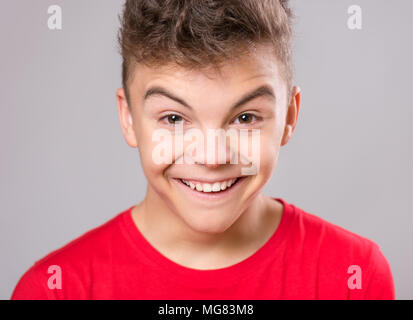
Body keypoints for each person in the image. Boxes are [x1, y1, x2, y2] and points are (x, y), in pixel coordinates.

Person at [11, 0, 394, 299]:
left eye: (245, 118)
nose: (211, 158)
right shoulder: (54, 291)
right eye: (174, 119)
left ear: (289, 116)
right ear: (128, 117)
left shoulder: (355, 276)